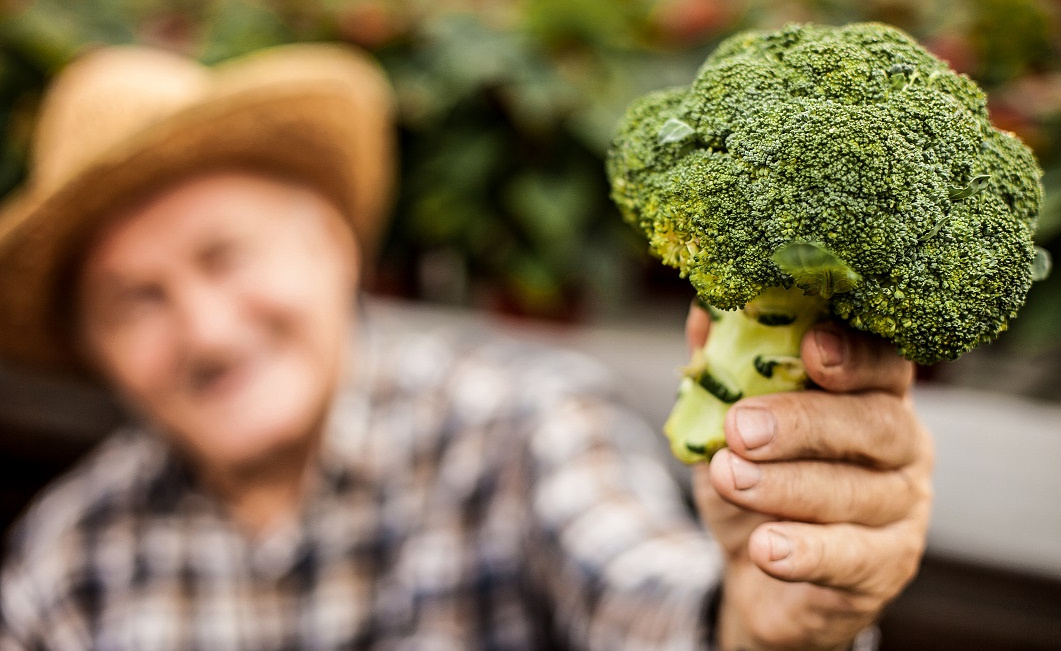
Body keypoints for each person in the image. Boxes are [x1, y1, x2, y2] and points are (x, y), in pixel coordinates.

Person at [0, 43, 932, 651]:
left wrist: (759, 629)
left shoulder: (522, 424)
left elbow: (642, 593)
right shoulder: (67, 563)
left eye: (225, 255)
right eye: (134, 301)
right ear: (91, 347)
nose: (204, 330)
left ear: (329, 244)